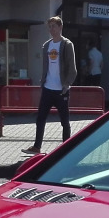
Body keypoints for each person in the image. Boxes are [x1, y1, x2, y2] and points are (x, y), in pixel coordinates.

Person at [22, 16, 77, 155]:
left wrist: (67, 84)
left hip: (61, 90)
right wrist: (43, 81)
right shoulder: (47, 45)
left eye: (54, 26)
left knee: (64, 121)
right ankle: (37, 147)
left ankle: (66, 148)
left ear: (60, 27)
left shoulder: (67, 44)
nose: (51, 29)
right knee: (40, 118)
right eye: (50, 26)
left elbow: (72, 68)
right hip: (48, 88)